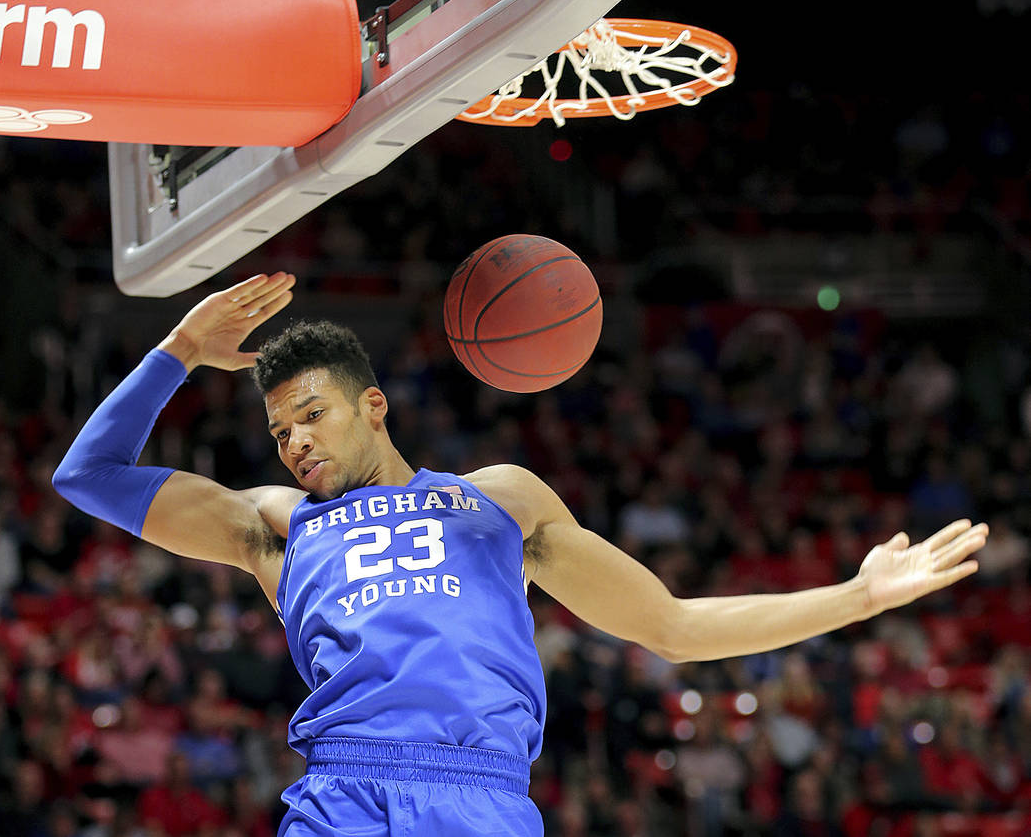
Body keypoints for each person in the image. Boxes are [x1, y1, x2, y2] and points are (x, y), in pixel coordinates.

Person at [53, 272, 988, 837]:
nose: (294, 442)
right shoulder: (277, 524)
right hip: (340, 787)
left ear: (373, 405)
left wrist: (856, 598)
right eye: (277, 428)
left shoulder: (497, 500)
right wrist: (178, 349)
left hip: (478, 795)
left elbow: (670, 626)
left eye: (313, 415)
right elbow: (88, 475)